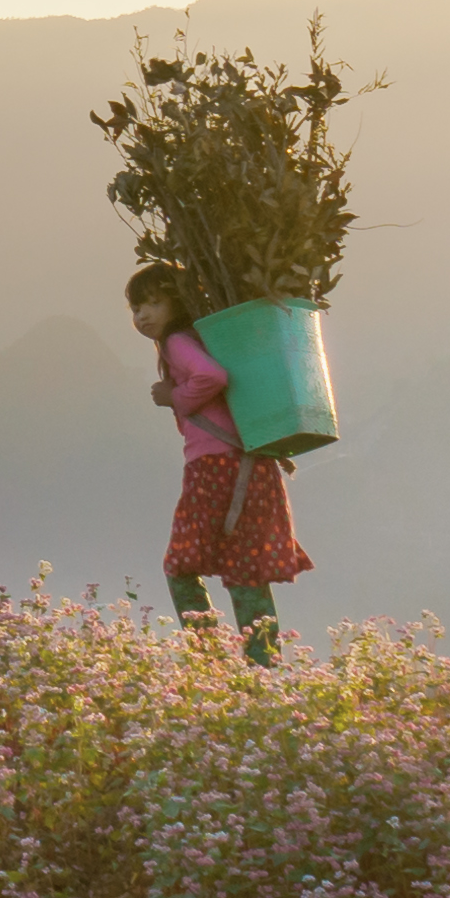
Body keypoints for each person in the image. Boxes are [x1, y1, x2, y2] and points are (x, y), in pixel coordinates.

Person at [137, 260, 303, 664]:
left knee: (180, 564)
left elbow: (211, 377)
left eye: (154, 304)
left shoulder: (178, 342)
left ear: (176, 304)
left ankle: (208, 659)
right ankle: (263, 667)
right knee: (246, 570)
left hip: (213, 469)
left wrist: (175, 397)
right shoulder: (204, 336)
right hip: (253, 465)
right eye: (136, 308)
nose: (143, 316)